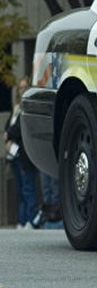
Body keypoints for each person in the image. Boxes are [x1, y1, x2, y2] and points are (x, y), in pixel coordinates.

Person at [3, 75, 38, 229]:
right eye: (20, 88)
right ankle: (22, 221)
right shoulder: (16, 108)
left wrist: (8, 134)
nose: (22, 90)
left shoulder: (28, 106)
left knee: (28, 188)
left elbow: (19, 127)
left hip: (25, 153)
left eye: (24, 87)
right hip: (14, 155)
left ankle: (32, 219)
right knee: (20, 189)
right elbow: (9, 125)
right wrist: (7, 136)